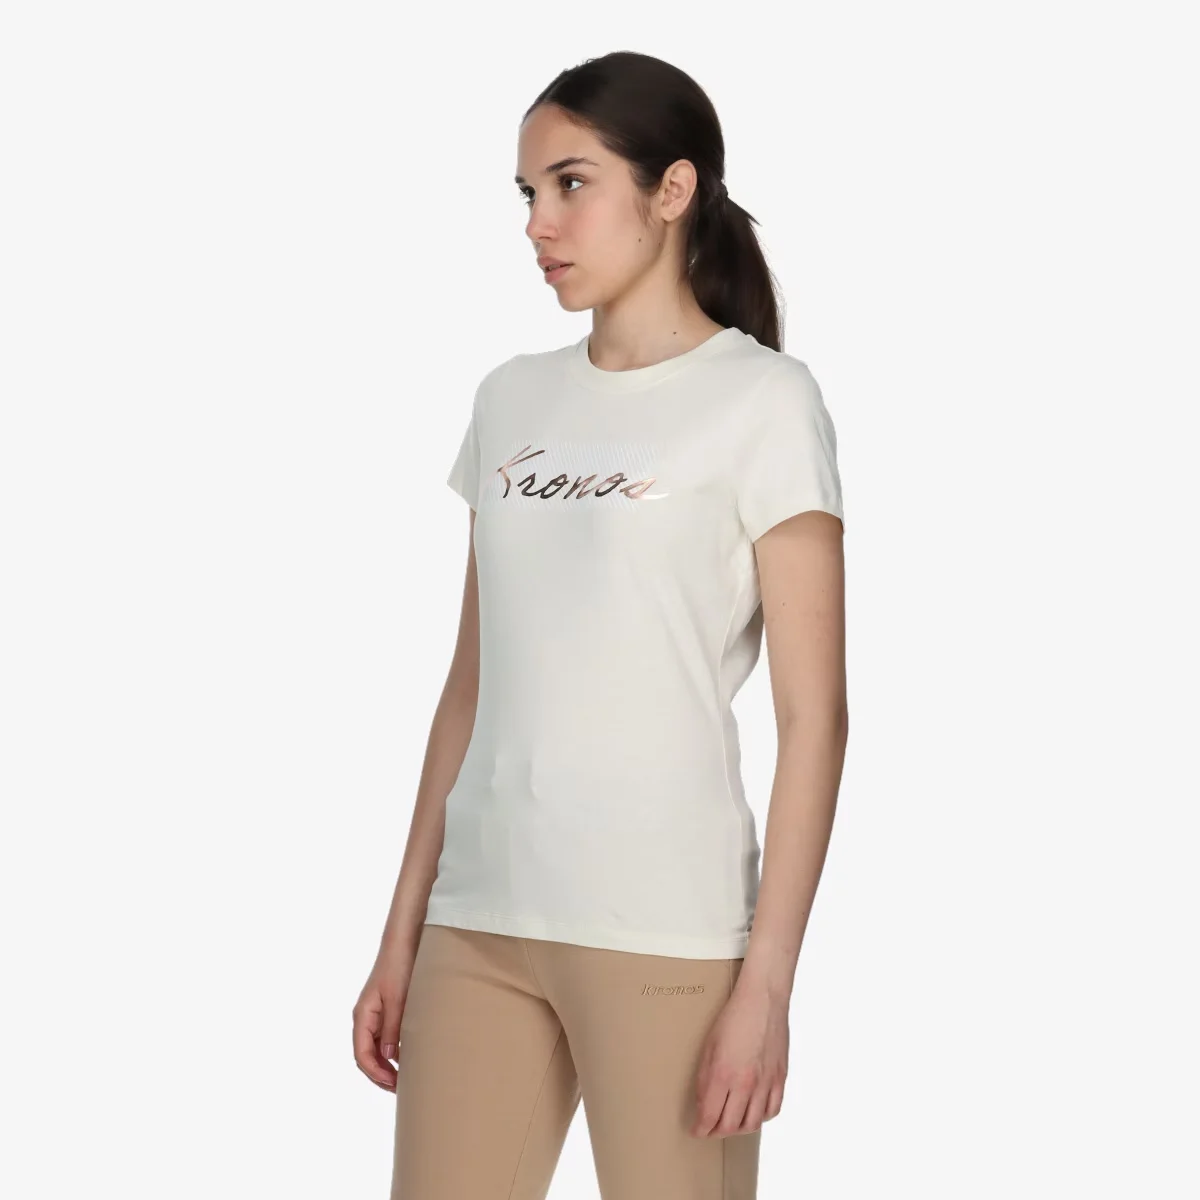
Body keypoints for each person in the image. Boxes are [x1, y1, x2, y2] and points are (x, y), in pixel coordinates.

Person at [353, 50, 848, 1200]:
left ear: (672, 190)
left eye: (571, 184)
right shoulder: (510, 399)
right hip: (480, 925)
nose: (540, 223)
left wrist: (767, 985)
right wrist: (402, 931)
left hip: (665, 935)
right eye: (529, 193)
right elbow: (471, 688)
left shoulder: (765, 403)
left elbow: (815, 719)